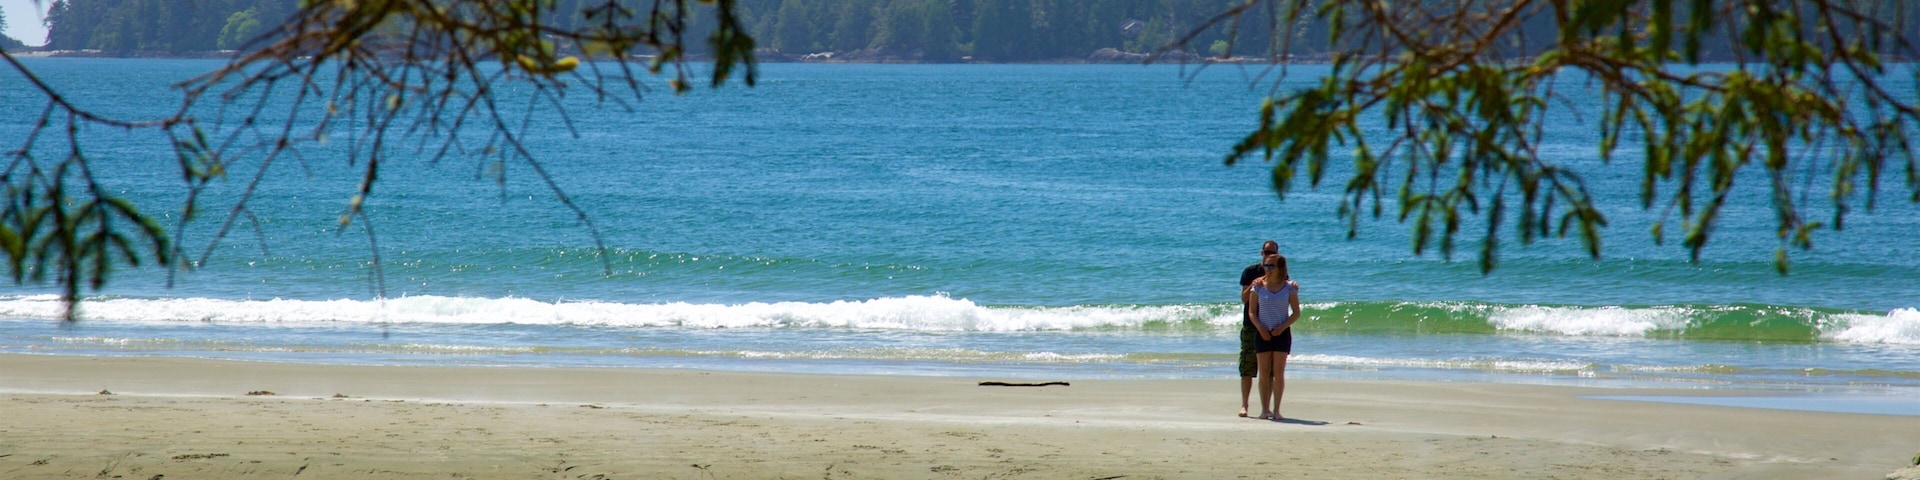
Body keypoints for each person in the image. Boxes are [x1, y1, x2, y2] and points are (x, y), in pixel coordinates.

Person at [1247, 253, 1300, 421]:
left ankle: (1277, 410)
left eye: (1271, 266)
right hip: (1262, 332)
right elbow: (1252, 312)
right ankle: (1264, 409)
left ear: (1280, 268)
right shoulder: (1258, 287)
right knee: (1263, 373)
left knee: (1278, 373)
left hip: (1281, 333)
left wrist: (1282, 327)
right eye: (1266, 266)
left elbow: (1296, 313)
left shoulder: (1289, 287)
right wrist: (1260, 329)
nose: (1267, 269)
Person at [1236, 240, 1278, 417]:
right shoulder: (1250, 272)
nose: (1268, 255)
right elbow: (1244, 299)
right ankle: (1244, 405)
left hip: (1271, 324)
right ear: (1261, 253)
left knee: (1268, 370)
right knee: (1247, 365)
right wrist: (1255, 283)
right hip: (1251, 325)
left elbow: (1284, 294)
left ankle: (1266, 407)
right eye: (1266, 252)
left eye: (1272, 253)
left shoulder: (1280, 272)